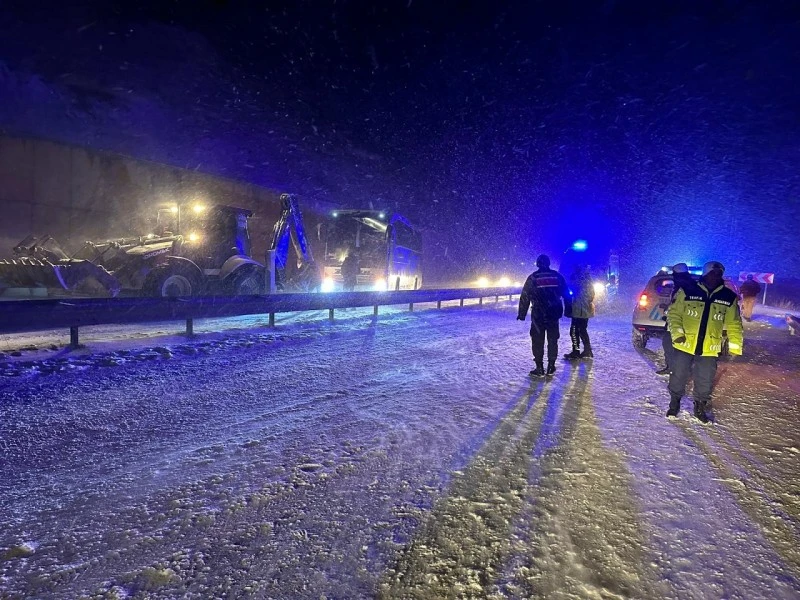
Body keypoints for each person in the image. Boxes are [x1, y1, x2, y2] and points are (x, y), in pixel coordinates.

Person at [666, 260, 743, 422]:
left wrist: (735, 346)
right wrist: (678, 334)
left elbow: (734, 323)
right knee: (678, 375)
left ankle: (700, 408)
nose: (714, 277)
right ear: (705, 274)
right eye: (711, 273)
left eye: (718, 274)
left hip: (710, 347)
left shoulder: (728, 297)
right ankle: (674, 403)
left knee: (705, 378)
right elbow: (674, 315)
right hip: (684, 343)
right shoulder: (687, 290)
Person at [517, 254, 573, 377]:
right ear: (548, 263)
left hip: (538, 314)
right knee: (553, 339)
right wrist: (569, 310)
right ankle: (551, 366)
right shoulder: (557, 276)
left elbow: (525, 296)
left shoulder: (533, 278)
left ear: (538, 264)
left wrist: (522, 313)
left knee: (538, 340)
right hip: (553, 313)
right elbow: (567, 294)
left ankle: (539, 367)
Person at [656, 263, 695, 375]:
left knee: (670, 344)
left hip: (681, 322)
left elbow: (681, 305)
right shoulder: (686, 285)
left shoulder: (684, 287)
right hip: (680, 322)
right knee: (670, 344)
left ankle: (676, 370)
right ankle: (674, 368)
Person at [563, 264, 595, 360]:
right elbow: (591, 294)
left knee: (574, 330)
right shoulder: (587, 278)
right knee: (582, 330)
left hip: (578, 309)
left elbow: (571, 292)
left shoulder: (577, 278)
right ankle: (586, 350)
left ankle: (577, 351)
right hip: (584, 309)